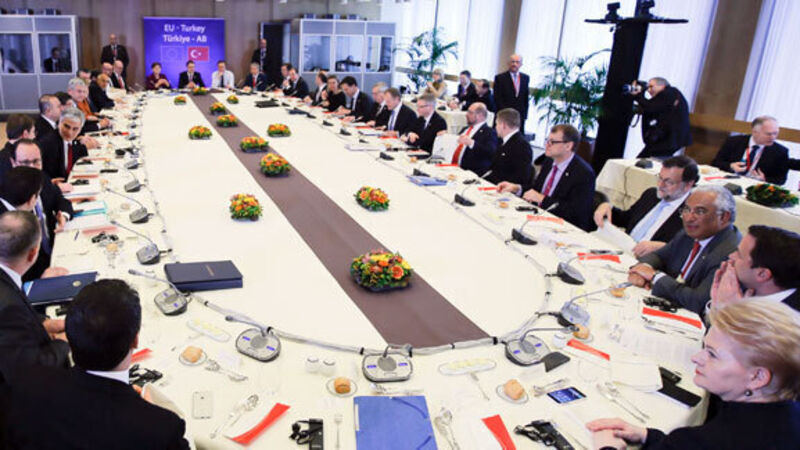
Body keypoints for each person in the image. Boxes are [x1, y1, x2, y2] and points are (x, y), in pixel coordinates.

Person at [0, 279, 191, 449]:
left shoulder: (24, 393)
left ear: (68, 335)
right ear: (135, 340)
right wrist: (149, 412)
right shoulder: (161, 428)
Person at [588, 299, 800, 450]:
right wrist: (647, 436)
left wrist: (607, 447)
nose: (696, 358)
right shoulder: (787, 417)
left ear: (757, 377)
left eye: (712, 354)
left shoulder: (709, 440)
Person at [628, 185, 741, 315]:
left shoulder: (730, 253)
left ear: (724, 217)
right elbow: (658, 256)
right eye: (687, 209)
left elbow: (698, 301)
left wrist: (655, 277)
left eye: (700, 211)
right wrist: (642, 269)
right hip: (668, 306)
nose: (688, 218)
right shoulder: (689, 233)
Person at [0, 210, 70, 376]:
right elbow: (31, 368)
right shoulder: (8, 306)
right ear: (33, 253)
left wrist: (44, 323)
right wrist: (64, 341)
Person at [595, 155, 698, 257]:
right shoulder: (651, 194)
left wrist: (664, 247)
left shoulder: (692, 214)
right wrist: (606, 206)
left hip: (650, 261)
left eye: (669, 182)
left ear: (688, 185)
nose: (660, 185)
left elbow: (688, 250)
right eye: (660, 178)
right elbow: (625, 219)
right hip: (622, 251)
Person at [499, 124, 595, 231]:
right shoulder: (549, 162)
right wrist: (517, 188)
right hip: (537, 219)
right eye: (547, 140)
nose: (547, 145)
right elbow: (536, 191)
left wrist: (542, 199)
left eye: (552, 142)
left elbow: (576, 212)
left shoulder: (583, 173)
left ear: (568, 146)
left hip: (563, 228)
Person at [1, 160, 70, 282]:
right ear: (32, 199)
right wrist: (40, 283)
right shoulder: (6, 226)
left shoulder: (21, 194)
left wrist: (63, 215)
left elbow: (59, 199)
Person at [710, 225, 800, 312]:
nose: (731, 256)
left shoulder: (791, 317)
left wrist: (730, 312)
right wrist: (717, 304)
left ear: (762, 274)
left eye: (739, 254)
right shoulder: (740, 286)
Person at [711, 116, 789, 185]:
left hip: (754, 187)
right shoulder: (734, 141)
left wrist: (764, 179)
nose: (773, 137)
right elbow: (715, 163)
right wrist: (730, 166)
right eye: (768, 134)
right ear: (755, 132)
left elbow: (781, 180)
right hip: (728, 181)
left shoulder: (780, 151)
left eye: (775, 133)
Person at [631, 77, 691, 158]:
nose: (648, 90)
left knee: (645, 160)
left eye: (651, 86)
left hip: (668, 140)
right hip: (672, 139)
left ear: (662, 86)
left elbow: (650, 107)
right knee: (651, 159)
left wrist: (637, 95)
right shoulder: (672, 94)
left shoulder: (668, 93)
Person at [484, 108, 532, 187]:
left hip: (504, 188)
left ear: (503, 125)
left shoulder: (522, 146)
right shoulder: (504, 141)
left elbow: (521, 178)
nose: (495, 127)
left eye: (496, 124)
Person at [38, 108, 88, 181]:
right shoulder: (47, 144)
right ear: (59, 123)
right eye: (66, 126)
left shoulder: (76, 142)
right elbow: (41, 174)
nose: (70, 132)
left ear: (80, 129)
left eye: (75, 129)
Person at [450, 102, 497, 176]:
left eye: (470, 112)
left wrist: (472, 143)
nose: (466, 114)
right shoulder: (465, 129)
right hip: (453, 168)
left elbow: (490, 152)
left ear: (480, 115)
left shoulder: (489, 132)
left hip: (471, 172)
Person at [494, 54, 530, 134]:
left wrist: (524, 115)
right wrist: (506, 114)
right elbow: (497, 98)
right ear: (508, 63)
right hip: (504, 115)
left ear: (521, 64)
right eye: (512, 62)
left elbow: (525, 97)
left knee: (518, 138)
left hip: (519, 116)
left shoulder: (525, 78)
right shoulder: (500, 78)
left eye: (517, 62)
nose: (514, 64)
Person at [0, 114, 37, 179]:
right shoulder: (23, 157)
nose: (34, 136)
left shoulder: (2, 155)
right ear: (25, 134)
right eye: (33, 132)